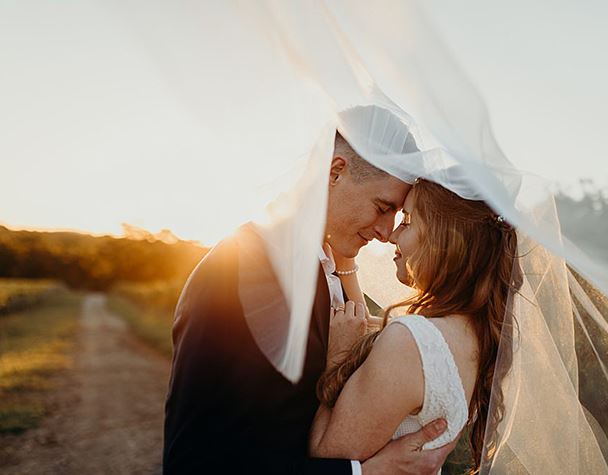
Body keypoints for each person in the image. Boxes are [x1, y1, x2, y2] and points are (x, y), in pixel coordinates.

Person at [162, 133, 456, 474]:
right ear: (335, 172)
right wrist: (369, 472)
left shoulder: (327, 269)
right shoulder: (250, 270)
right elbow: (222, 454)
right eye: (382, 208)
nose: (386, 232)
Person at [309, 178, 522, 473]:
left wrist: (337, 357)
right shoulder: (473, 339)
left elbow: (326, 454)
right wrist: (346, 259)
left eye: (407, 221)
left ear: (444, 238)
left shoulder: (411, 342)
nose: (393, 235)